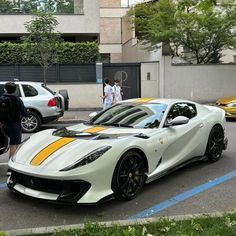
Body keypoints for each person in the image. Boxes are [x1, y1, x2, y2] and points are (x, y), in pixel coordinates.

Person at [1, 82, 28, 159]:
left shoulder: (1, 99)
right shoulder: (17, 99)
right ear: (15, 90)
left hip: (2, 125)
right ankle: (11, 164)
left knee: (3, 143)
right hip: (14, 125)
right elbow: (25, 113)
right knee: (14, 144)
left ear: (5, 89)